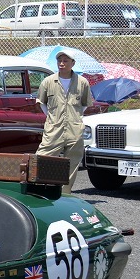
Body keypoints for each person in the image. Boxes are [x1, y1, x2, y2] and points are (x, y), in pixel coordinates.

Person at [35, 50, 92, 195]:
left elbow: (85, 104)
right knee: (42, 158)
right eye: (59, 60)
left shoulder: (82, 82)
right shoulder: (48, 81)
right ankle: (37, 191)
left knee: (72, 163)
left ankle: (65, 194)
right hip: (54, 127)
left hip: (74, 128)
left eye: (65, 61)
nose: (62, 63)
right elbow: (41, 103)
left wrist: (75, 117)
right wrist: (51, 117)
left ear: (73, 63)